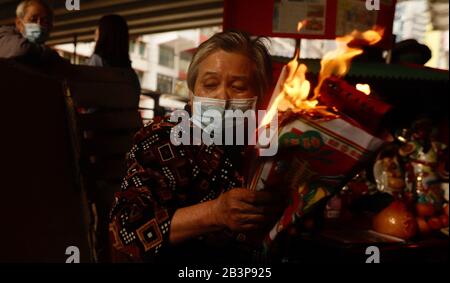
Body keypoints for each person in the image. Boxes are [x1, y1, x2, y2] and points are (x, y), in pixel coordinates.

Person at [108, 30, 284, 263]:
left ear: (260, 97)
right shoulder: (164, 139)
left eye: (239, 86)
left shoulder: (264, 143)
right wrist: (215, 213)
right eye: (210, 85)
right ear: (192, 95)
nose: (223, 97)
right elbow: (125, 232)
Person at [0, 0, 60, 64]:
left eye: (44, 21)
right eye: (33, 19)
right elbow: (22, 49)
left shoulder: (39, 52)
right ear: (19, 23)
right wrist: (50, 53)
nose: (39, 24)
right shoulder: (3, 34)